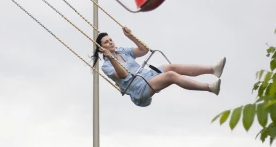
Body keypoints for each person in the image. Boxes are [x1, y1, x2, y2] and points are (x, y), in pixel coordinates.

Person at [91, 27, 226, 107]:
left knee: (171, 67)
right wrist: (109, 57)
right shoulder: (106, 66)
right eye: (106, 42)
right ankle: (209, 87)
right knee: (171, 76)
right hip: (139, 89)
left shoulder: (122, 51)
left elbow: (144, 50)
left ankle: (213, 69)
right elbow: (123, 75)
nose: (110, 43)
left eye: (110, 40)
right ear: (102, 48)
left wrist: (130, 36)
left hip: (147, 75)